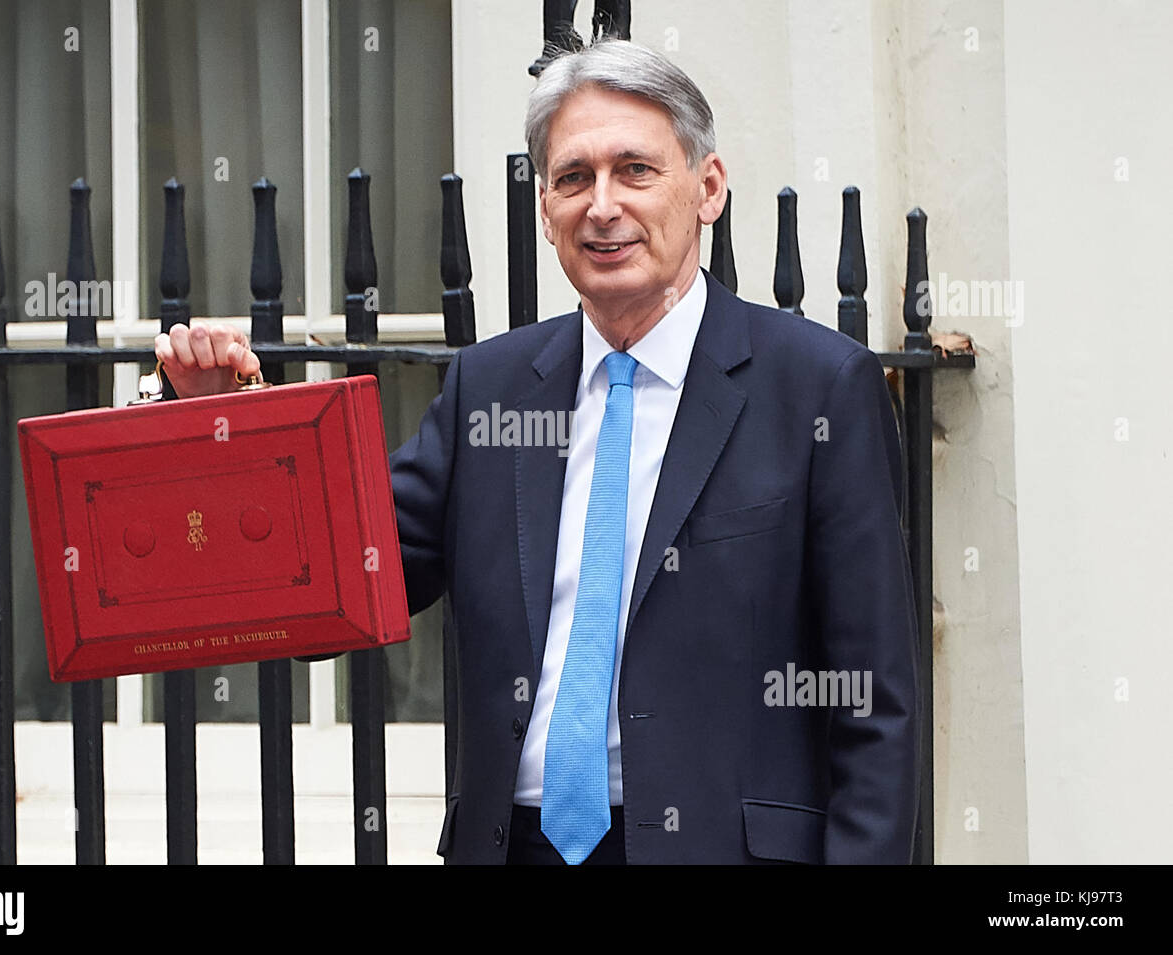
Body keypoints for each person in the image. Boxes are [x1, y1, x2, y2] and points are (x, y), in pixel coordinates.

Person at [156, 38, 919, 865]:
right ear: (546, 208)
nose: (602, 205)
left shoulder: (816, 387)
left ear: (707, 188)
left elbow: (876, 705)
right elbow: (330, 588)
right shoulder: (490, 389)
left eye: (635, 170)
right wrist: (220, 438)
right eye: (572, 177)